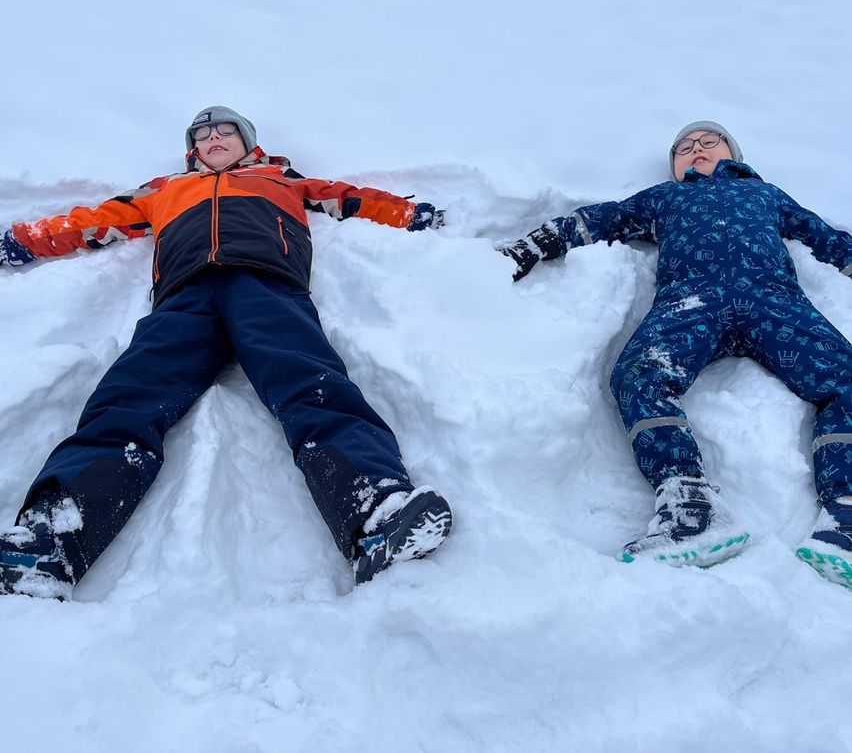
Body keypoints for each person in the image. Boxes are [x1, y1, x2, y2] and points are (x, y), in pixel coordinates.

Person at [0, 105, 452, 599]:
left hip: (267, 287)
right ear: (192, 149)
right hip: (185, 296)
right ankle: (50, 538)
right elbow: (93, 222)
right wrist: (23, 240)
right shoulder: (163, 189)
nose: (213, 138)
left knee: (313, 385)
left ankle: (374, 513)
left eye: (225, 130)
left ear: (247, 141)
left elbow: (350, 199)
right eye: (202, 134)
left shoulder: (280, 177)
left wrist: (410, 214)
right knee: (129, 397)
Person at [502, 120, 852, 589]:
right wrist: (538, 242)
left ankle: (845, 518)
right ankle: (693, 509)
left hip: (775, 301)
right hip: (692, 301)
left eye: (709, 142)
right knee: (639, 375)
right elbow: (605, 217)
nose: (696, 150)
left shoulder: (766, 195)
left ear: (733, 153)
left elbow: (825, 239)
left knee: (845, 377)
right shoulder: (666, 199)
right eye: (683, 148)